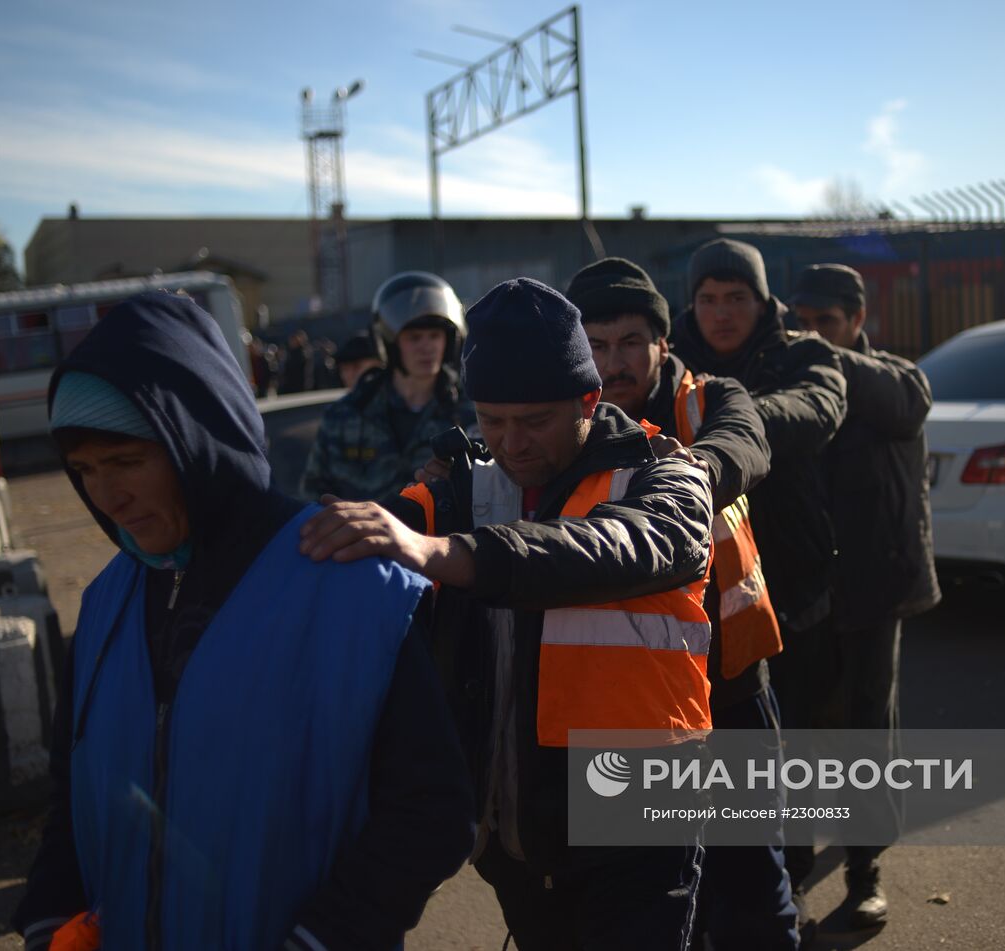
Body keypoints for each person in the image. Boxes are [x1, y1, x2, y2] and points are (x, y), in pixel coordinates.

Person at [11, 291, 475, 951]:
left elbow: (432, 813)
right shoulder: (105, 603)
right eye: (83, 470)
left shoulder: (356, 591)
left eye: (126, 461)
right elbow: (71, 795)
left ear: (196, 436)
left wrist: (321, 939)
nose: (105, 496)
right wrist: (47, 919)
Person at [298, 278, 716, 951]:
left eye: (534, 420)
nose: (510, 442)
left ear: (589, 398)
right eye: (491, 419)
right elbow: (378, 530)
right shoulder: (465, 484)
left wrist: (446, 551)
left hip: (643, 831)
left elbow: (616, 546)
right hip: (518, 839)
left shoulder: (664, 473)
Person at [565, 257, 803, 950]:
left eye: (631, 341)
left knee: (756, 889)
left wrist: (687, 475)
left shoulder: (709, 400)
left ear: (663, 343)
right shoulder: (562, 421)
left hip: (729, 689)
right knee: (659, 906)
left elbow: (745, 443)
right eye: (597, 344)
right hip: (626, 707)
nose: (615, 361)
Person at [669, 238, 847, 938]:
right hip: (701, 602)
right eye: (707, 299)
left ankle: (790, 889)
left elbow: (820, 407)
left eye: (735, 297)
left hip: (793, 590)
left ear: (762, 299)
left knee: (788, 754)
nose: (720, 313)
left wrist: (729, 422)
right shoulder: (668, 358)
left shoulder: (802, 352)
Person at [782, 264, 941, 929]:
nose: (814, 334)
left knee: (866, 732)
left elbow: (906, 406)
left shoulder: (895, 377)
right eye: (804, 322)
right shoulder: (787, 376)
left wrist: (823, 358)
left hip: (873, 588)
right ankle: (785, 872)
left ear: (857, 320)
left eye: (829, 322)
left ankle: (864, 868)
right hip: (801, 587)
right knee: (790, 732)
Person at [301, 271, 476, 502]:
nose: (427, 347)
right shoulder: (345, 416)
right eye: (414, 337)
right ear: (389, 343)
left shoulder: (471, 415)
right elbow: (313, 493)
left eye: (434, 336)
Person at [279, 329, 314, 394]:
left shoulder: (303, 353)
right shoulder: (288, 352)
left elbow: (307, 370)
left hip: (300, 385)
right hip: (289, 385)